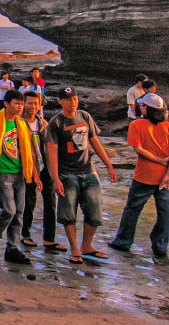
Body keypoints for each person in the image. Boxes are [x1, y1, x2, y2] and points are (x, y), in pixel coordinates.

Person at [45, 87, 119, 264]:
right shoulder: (56, 123)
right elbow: (52, 154)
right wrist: (55, 178)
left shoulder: (85, 117)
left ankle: (87, 246)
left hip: (88, 170)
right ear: (60, 101)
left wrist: (109, 165)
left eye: (75, 98)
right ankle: (75, 248)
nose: (73, 102)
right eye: (69, 99)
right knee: (68, 213)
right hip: (66, 173)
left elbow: (94, 142)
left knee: (94, 211)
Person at [109, 92, 169, 258]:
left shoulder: (137, 125)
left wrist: (158, 160)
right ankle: (160, 247)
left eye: (142, 105)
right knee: (164, 213)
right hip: (167, 178)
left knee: (133, 209)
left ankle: (123, 241)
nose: (140, 107)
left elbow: (138, 149)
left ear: (147, 108)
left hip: (144, 176)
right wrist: (167, 174)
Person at [0, 89, 39, 264]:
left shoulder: (21, 124)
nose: (20, 107)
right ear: (6, 104)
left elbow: (29, 151)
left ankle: (12, 248)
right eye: (16, 103)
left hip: (20, 173)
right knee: (9, 210)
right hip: (2, 173)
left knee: (19, 213)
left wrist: (35, 174)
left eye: (21, 104)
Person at [20, 89, 64, 252]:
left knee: (50, 203)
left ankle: (49, 239)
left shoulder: (44, 124)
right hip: (27, 170)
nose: (32, 106)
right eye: (29, 103)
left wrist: (55, 171)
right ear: (24, 104)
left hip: (45, 168)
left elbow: (52, 149)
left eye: (35, 103)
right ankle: (25, 234)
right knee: (29, 202)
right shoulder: (19, 124)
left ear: (39, 106)